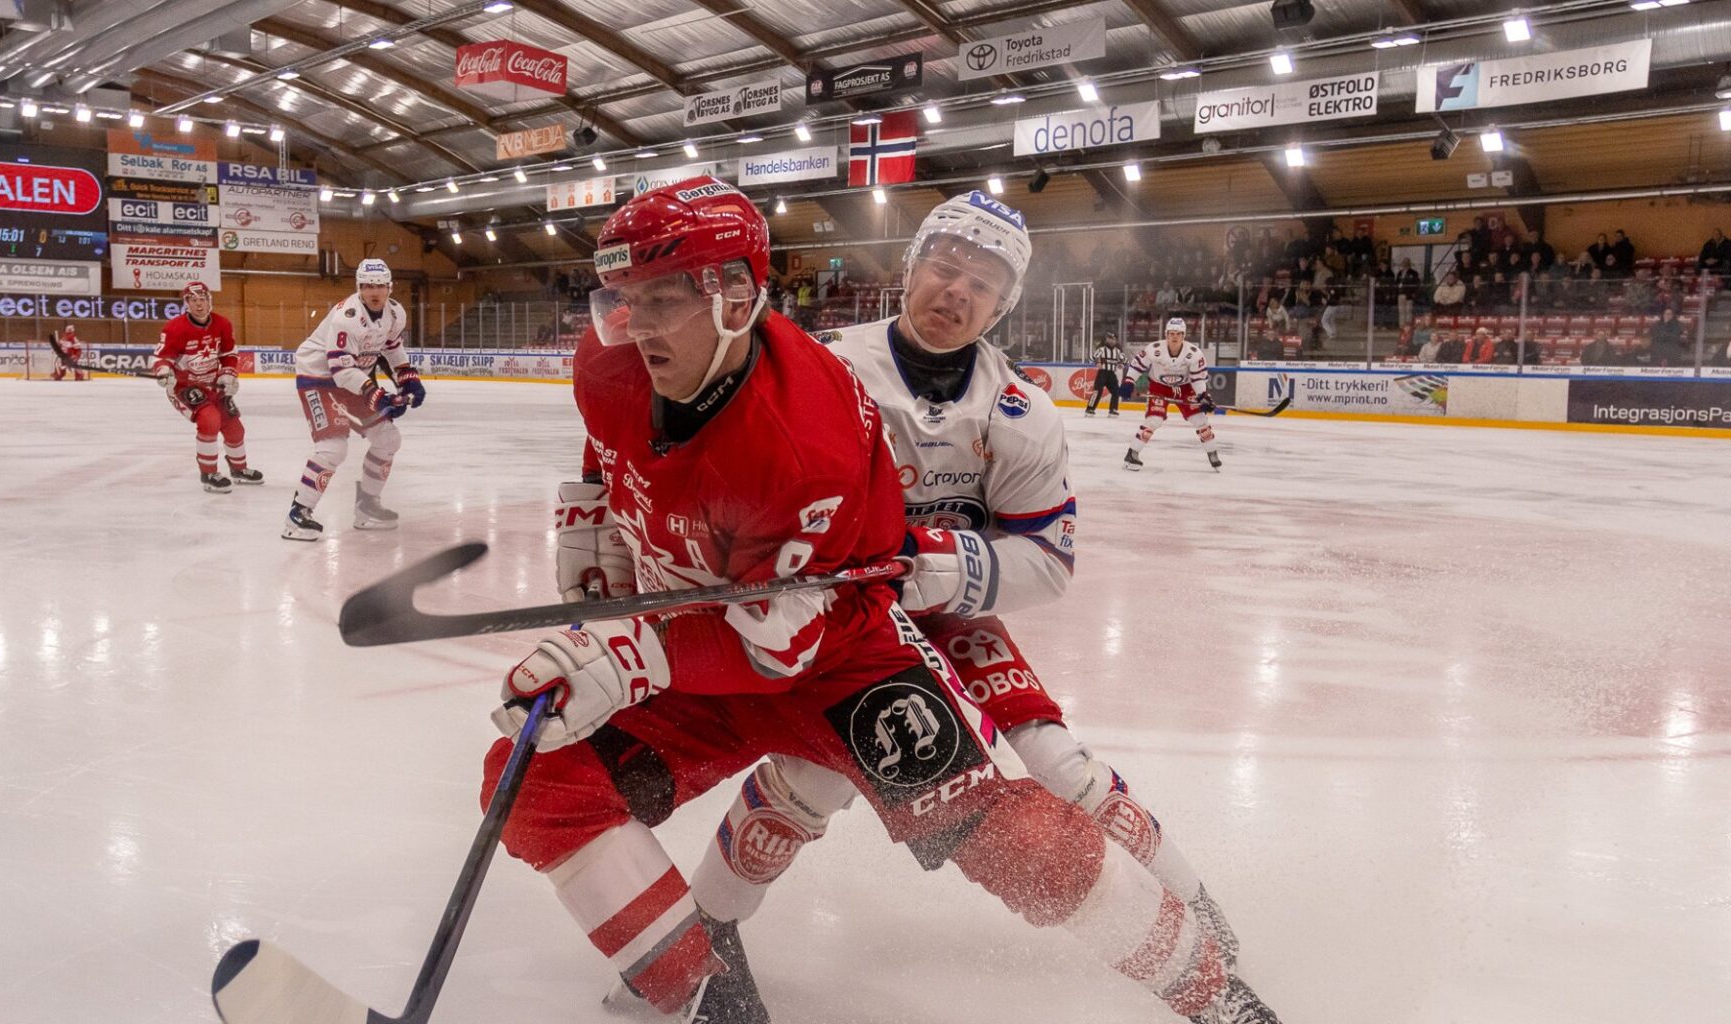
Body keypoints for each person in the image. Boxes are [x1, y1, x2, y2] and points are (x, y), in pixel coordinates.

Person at [488, 178, 1274, 1024]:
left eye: (664, 298)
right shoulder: (625, 358)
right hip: (730, 621)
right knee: (532, 774)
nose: (635, 327)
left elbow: (788, 642)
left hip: (847, 646)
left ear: (735, 301)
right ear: (913, 266)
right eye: (623, 300)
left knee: (1035, 787)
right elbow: (615, 444)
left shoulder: (837, 427)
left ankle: (1216, 987)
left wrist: (932, 566)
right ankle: (698, 984)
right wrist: (592, 535)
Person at [679, 190, 1241, 984]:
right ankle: (707, 924)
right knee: (821, 770)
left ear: (1002, 305)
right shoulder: (822, 364)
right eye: (945, 267)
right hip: (839, 621)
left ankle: (1194, 902)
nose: (957, 291)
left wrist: (925, 564)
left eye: (983, 283)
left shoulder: (1022, 411)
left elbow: (1048, 558)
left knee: (1059, 761)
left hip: (940, 609)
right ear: (912, 269)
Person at [283, 258, 425, 540]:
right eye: (368, 285)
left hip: (353, 378)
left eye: (380, 286)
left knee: (388, 439)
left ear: (390, 288)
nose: (375, 292)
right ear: (358, 287)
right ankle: (297, 515)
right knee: (333, 447)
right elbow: (340, 371)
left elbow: (392, 348)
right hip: (319, 378)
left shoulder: (395, 314)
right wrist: (377, 395)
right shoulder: (346, 317)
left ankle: (368, 507)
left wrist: (408, 378)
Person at [152, 282, 258, 493]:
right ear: (186, 304)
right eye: (192, 300)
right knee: (209, 419)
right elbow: (162, 357)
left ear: (209, 301)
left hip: (213, 384)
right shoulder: (175, 327)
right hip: (184, 386)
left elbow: (228, 354)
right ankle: (208, 473)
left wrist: (228, 374)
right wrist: (164, 371)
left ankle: (239, 469)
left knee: (234, 427)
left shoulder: (223, 324)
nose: (198, 304)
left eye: (202, 299)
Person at [1120, 317, 1221, 471]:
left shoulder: (1194, 353)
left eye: (1179, 334)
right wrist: (1129, 381)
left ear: (1184, 336)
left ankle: (1212, 452)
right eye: (1172, 333)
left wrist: (1203, 396)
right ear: (1166, 334)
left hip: (1185, 388)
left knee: (1199, 419)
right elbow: (1137, 366)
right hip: (1159, 386)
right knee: (1154, 420)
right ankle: (1132, 454)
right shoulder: (1154, 349)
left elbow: (1198, 377)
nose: (1175, 336)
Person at [1089, 331, 1125, 416]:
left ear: (1116, 340)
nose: (1110, 341)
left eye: (1112, 339)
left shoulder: (1118, 351)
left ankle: (1113, 409)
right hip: (1102, 373)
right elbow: (1091, 358)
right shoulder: (1101, 349)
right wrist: (1097, 363)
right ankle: (1090, 409)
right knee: (1097, 391)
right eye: (1109, 339)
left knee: (1116, 391)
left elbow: (1123, 360)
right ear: (1106, 339)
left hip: (1111, 374)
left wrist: (1121, 364)